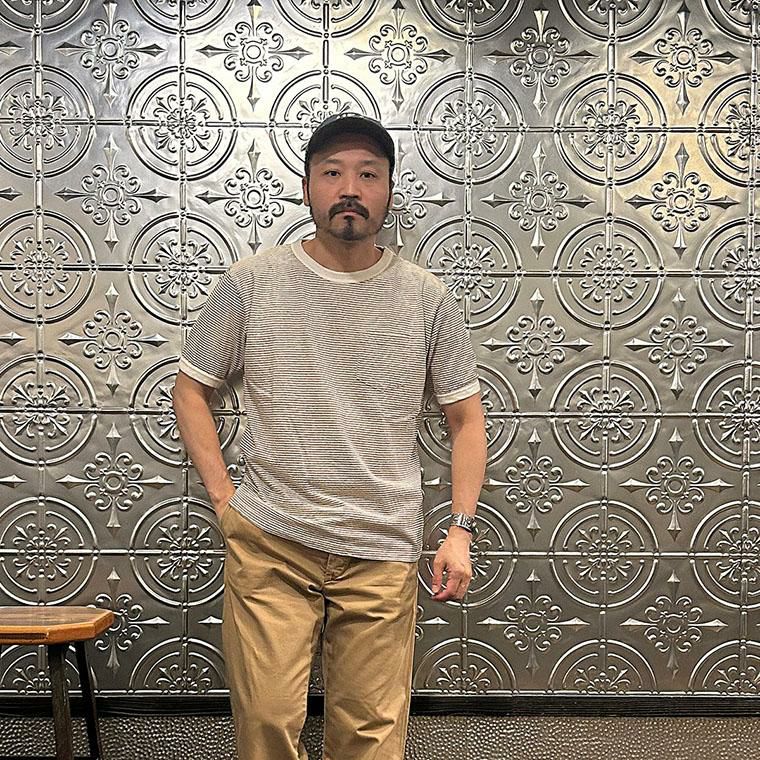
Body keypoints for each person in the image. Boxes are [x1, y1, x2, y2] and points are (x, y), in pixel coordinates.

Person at [172, 112, 487, 760]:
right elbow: (191, 388)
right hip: (272, 543)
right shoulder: (251, 283)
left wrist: (459, 530)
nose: (350, 188)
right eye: (332, 173)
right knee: (265, 725)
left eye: (368, 174)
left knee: (370, 739)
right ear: (307, 187)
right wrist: (224, 500)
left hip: (380, 548)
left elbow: (467, 420)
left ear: (389, 191)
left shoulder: (426, 297)